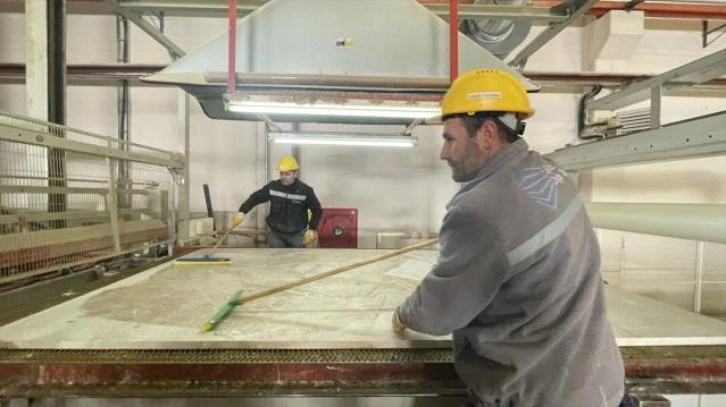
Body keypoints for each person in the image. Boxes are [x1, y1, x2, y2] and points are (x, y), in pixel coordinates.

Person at [392, 69, 625, 406]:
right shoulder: (550, 172)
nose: (443, 153)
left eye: (450, 139)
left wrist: (404, 313)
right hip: (599, 385)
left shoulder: (480, 210)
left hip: (540, 396)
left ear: (487, 134)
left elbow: (438, 313)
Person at [233, 155, 322, 248]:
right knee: (275, 257)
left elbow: (317, 210)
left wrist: (312, 229)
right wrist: (242, 211)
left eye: (287, 174)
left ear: (295, 174)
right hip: (276, 235)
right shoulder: (273, 187)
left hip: (297, 235)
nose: (283, 177)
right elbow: (256, 197)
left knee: (297, 257)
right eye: (281, 173)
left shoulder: (305, 191)